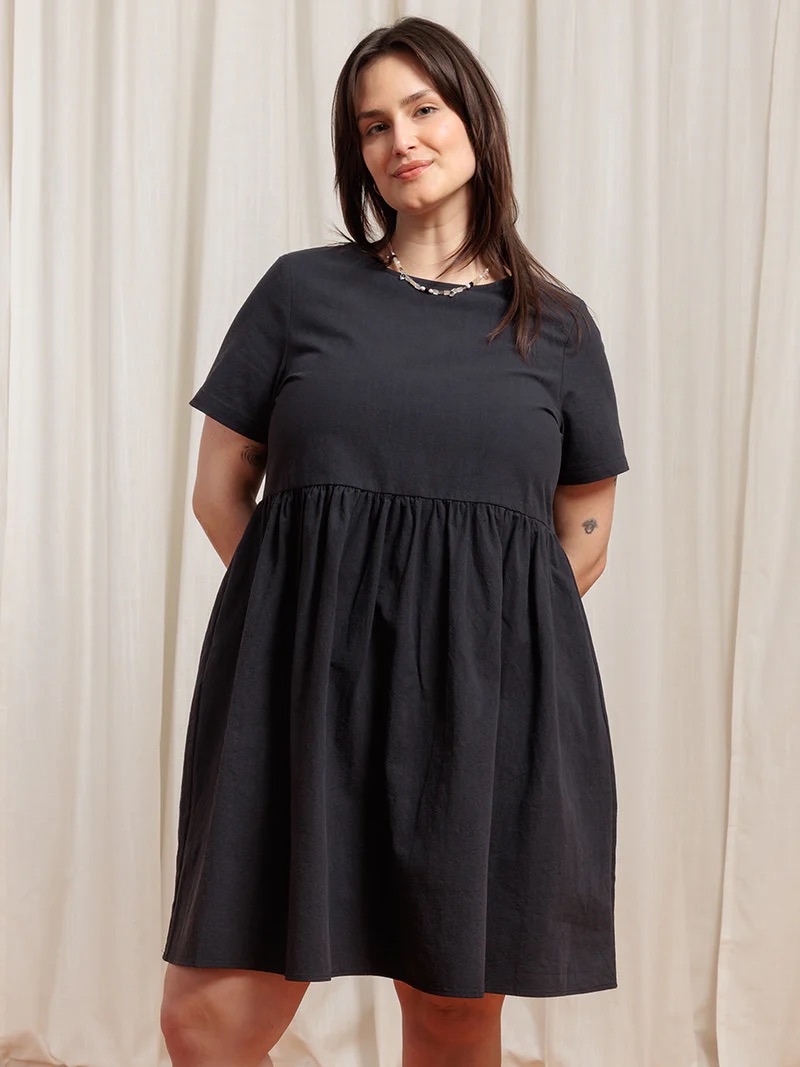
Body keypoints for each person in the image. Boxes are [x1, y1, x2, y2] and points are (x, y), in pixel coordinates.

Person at [159, 15, 629, 1067]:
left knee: (455, 1009)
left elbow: (582, 524)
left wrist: (470, 649)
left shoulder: (553, 325)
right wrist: (315, 628)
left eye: (422, 108)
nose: (400, 139)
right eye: (372, 124)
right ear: (356, 152)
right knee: (207, 1016)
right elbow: (218, 490)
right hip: (297, 693)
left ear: (473, 121)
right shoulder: (301, 290)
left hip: (482, 707)